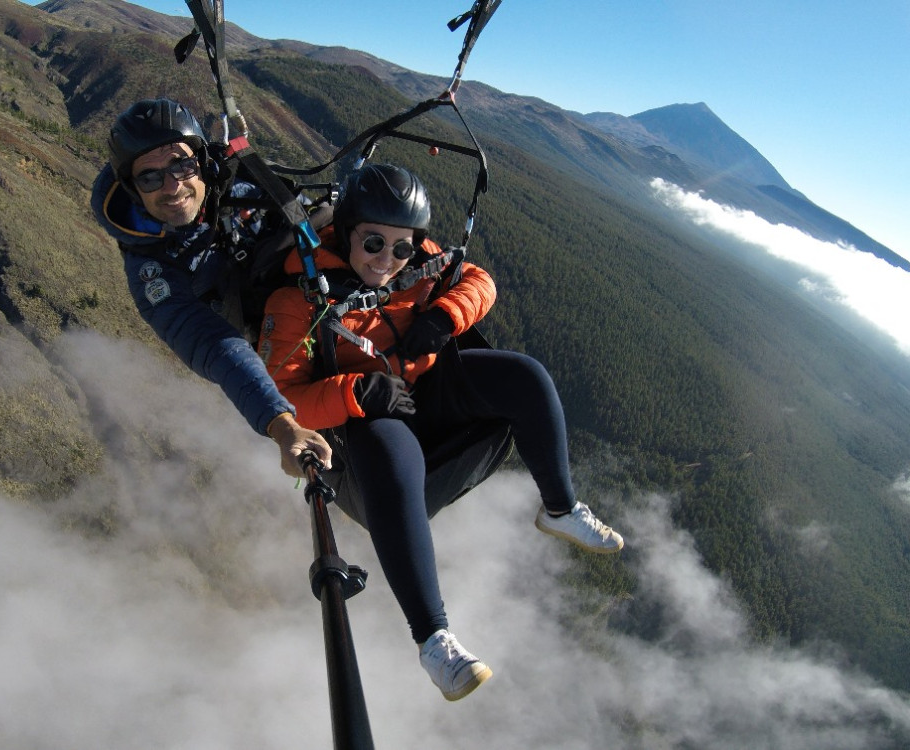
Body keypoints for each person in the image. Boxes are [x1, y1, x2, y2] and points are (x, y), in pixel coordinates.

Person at [258, 163, 624, 701]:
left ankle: (560, 508)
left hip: (426, 386)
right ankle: (434, 640)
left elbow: (480, 280)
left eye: (402, 249)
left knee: (525, 377)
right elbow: (283, 399)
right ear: (347, 231)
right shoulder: (297, 301)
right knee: (387, 453)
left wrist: (446, 315)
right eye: (374, 244)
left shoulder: (423, 266)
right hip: (371, 418)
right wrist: (355, 392)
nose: (388, 261)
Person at [90, 97, 331, 477]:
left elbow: (306, 213)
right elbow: (213, 345)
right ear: (133, 188)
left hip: (317, 297)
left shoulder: (241, 176)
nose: (172, 185)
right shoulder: (151, 269)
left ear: (201, 161)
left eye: (182, 164)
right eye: (150, 177)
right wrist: (282, 425)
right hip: (279, 349)